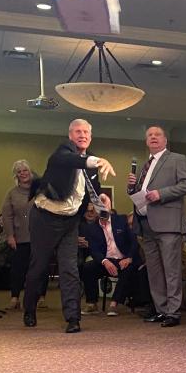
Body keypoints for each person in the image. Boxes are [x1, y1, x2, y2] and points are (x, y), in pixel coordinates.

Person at [23, 119, 115, 333]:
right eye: (77, 131)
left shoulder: (91, 163)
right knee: (39, 267)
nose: (82, 135)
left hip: (70, 221)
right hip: (44, 218)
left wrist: (102, 197)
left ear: (90, 137)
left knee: (70, 268)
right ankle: (29, 309)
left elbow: (94, 187)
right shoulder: (62, 153)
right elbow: (69, 160)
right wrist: (98, 160)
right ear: (70, 135)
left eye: (86, 132)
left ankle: (73, 319)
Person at [127, 125, 186, 328]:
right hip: (146, 224)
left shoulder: (176, 159)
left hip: (168, 224)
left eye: (157, 135)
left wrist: (161, 194)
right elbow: (141, 193)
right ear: (146, 141)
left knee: (171, 270)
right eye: (149, 135)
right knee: (154, 271)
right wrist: (131, 187)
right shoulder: (144, 165)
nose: (153, 138)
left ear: (165, 140)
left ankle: (173, 312)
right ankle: (161, 309)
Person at [78, 194, 141, 317]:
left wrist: (128, 257)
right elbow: (94, 250)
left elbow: (134, 241)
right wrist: (104, 261)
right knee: (87, 268)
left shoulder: (121, 220)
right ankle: (92, 303)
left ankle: (115, 303)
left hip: (124, 259)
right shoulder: (92, 228)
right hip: (106, 260)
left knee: (128, 269)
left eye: (105, 205)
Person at [1, 160, 44, 310]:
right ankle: (15, 298)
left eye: (25, 170)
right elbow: (7, 216)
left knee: (40, 268)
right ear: (16, 175)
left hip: (40, 236)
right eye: (19, 172)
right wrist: (10, 236)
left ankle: (41, 297)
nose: (23, 174)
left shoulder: (40, 191)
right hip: (20, 237)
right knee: (18, 268)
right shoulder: (12, 193)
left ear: (30, 172)